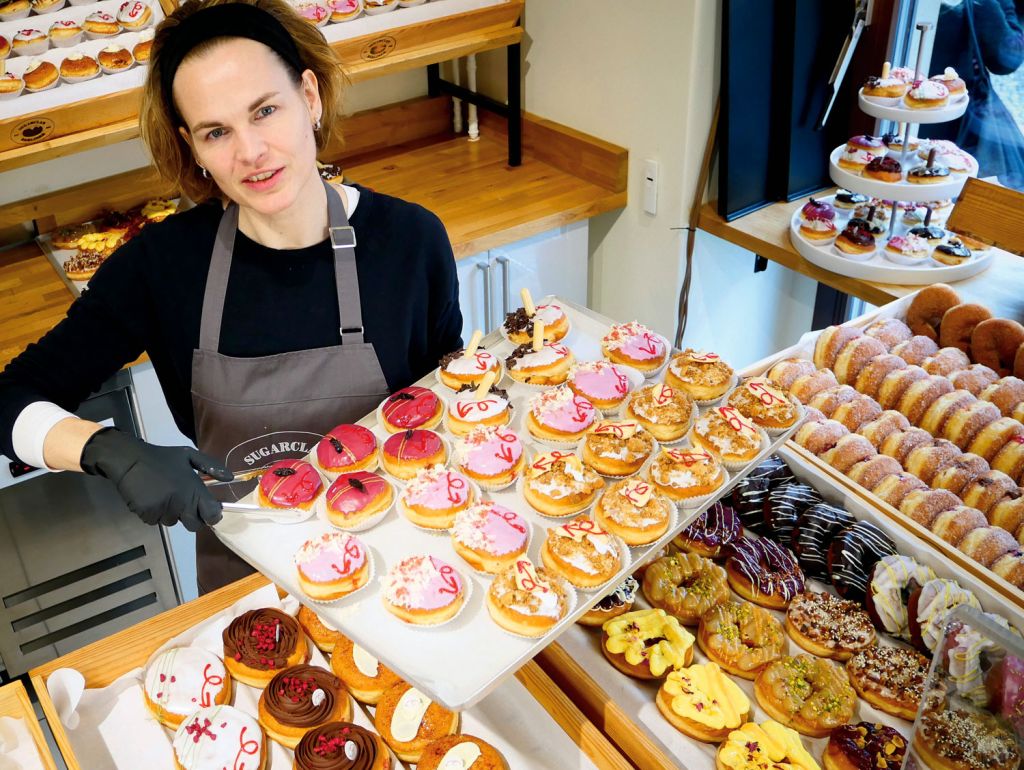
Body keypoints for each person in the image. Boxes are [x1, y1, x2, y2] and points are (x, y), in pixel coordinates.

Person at [0, 0, 463, 593]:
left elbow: (443, 412)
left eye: (265, 111)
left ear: (310, 98)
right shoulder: (162, 266)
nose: (250, 153)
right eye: (217, 131)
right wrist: (108, 449)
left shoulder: (409, 241)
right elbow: (8, 400)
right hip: (250, 584)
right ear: (190, 145)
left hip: (401, 570)